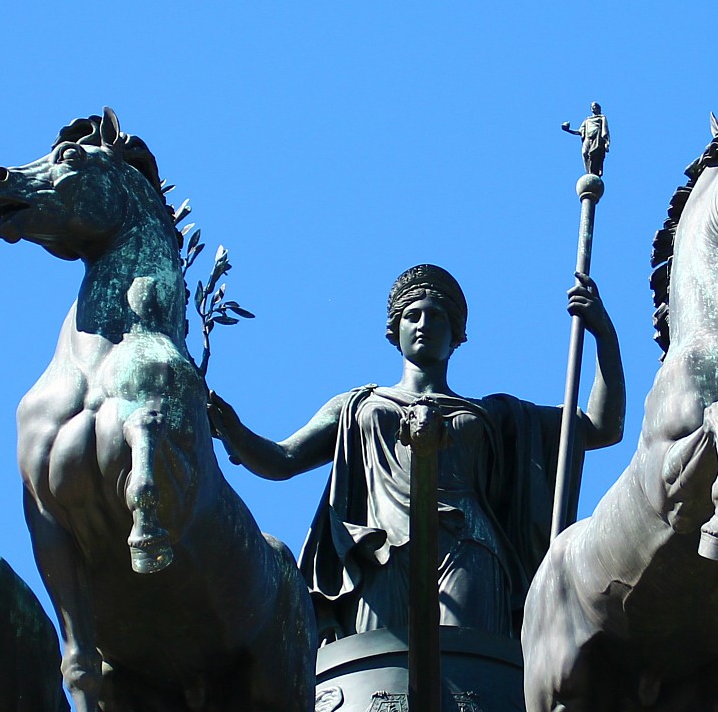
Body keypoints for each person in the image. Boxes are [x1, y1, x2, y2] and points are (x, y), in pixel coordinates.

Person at [208, 264, 625, 643]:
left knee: (471, 671)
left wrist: (604, 336)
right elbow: (283, 460)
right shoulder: (359, 406)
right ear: (395, 331)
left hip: (469, 548)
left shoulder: (495, 416)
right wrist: (234, 431)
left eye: (437, 315)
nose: (425, 323)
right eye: (413, 315)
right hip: (380, 551)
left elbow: (601, 428)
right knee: (380, 668)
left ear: (457, 334)